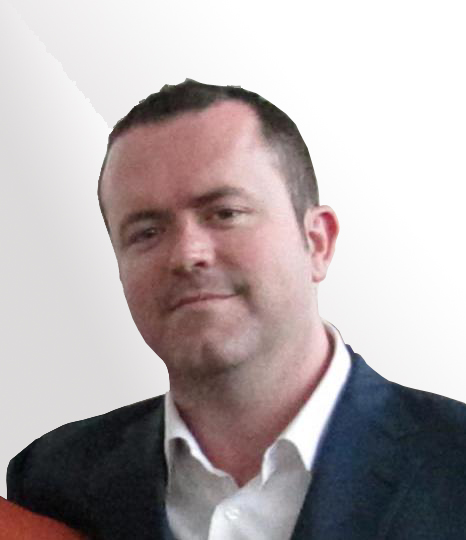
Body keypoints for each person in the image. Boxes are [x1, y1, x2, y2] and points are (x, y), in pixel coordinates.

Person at [6, 80, 466, 540]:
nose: (187, 255)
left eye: (224, 213)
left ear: (318, 241)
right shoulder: (55, 480)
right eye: (146, 232)